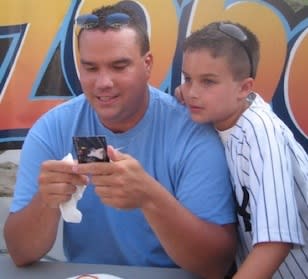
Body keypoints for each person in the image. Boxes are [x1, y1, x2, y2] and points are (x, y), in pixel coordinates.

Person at [4, 3, 237, 278]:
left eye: (119, 66)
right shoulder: (53, 129)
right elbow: (20, 253)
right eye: (90, 68)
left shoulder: (191, 132)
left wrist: (150, 197)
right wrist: (46, 200)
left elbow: (216, 264)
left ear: (147, 64)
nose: (103, 82)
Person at [175, 21, 308, 278]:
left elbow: (275, 243)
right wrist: (193, 88)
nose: (192, 92)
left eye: (208, 82)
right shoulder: (217, 112)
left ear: (245, 88)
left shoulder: (259, 132)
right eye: (187, 78)